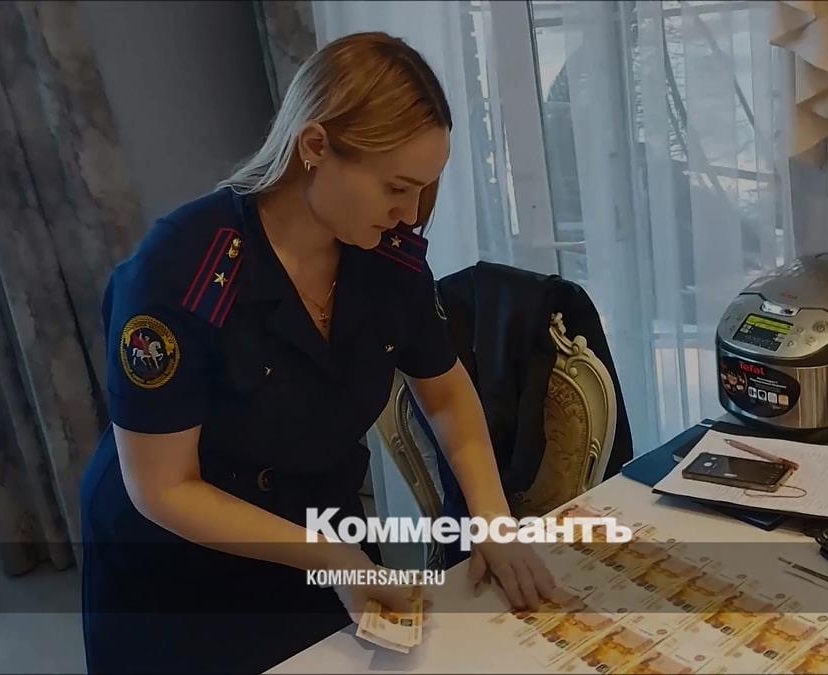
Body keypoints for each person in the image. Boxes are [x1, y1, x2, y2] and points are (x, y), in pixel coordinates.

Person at [79, 32, 554, 674]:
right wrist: (330, 557)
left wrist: (492, 522)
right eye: (396, 187)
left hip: (321, 536)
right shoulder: (182, 271)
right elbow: (163, 487)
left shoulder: (384, 257)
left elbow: (445, 393)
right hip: (182, 570)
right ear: (315, 147)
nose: (410, 212)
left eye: (423, 189)